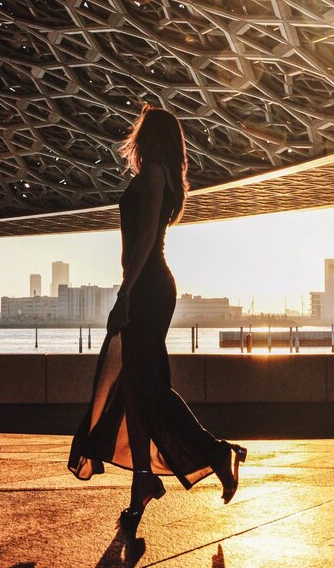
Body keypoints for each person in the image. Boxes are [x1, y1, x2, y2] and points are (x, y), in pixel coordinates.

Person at [68, 105, 247, 535]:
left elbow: (146, 236)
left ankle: (217, 453)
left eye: (141, 131)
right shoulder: (164, 176)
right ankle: (142, 485)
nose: (135, 137)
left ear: (151, 138)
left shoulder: (151, 176)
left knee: (147, 388)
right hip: (151, 284)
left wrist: (125, 292)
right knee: (136, 389)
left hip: (147, 287)